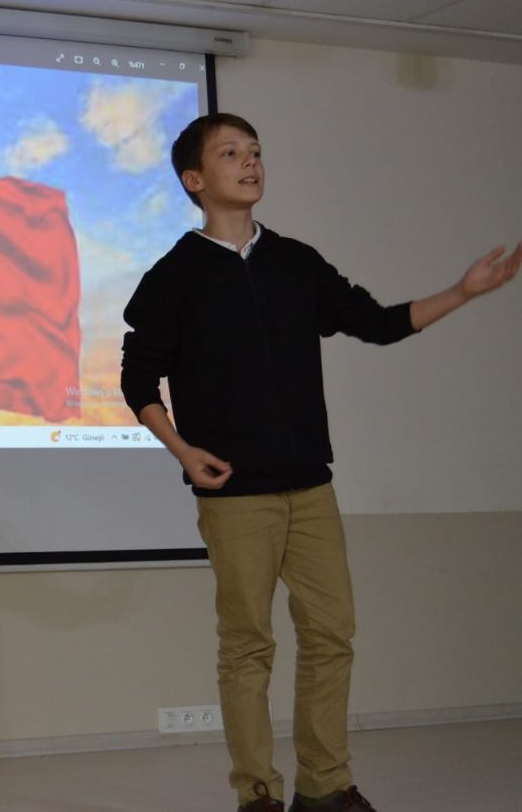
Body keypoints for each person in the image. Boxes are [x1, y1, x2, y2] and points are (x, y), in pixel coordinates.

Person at [119, 113, 521, 812]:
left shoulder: (295, 262)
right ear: (195, 179)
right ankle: (258, 794)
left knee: (332, 636)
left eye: (256, 152)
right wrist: (182, 448)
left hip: (310, 488)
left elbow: (378, 323)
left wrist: (464, 292)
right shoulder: (174, 276)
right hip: (234, 495)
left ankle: (325, 786)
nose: (251, 163)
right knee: (248, 647)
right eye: (231, 154)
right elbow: (137, 378)